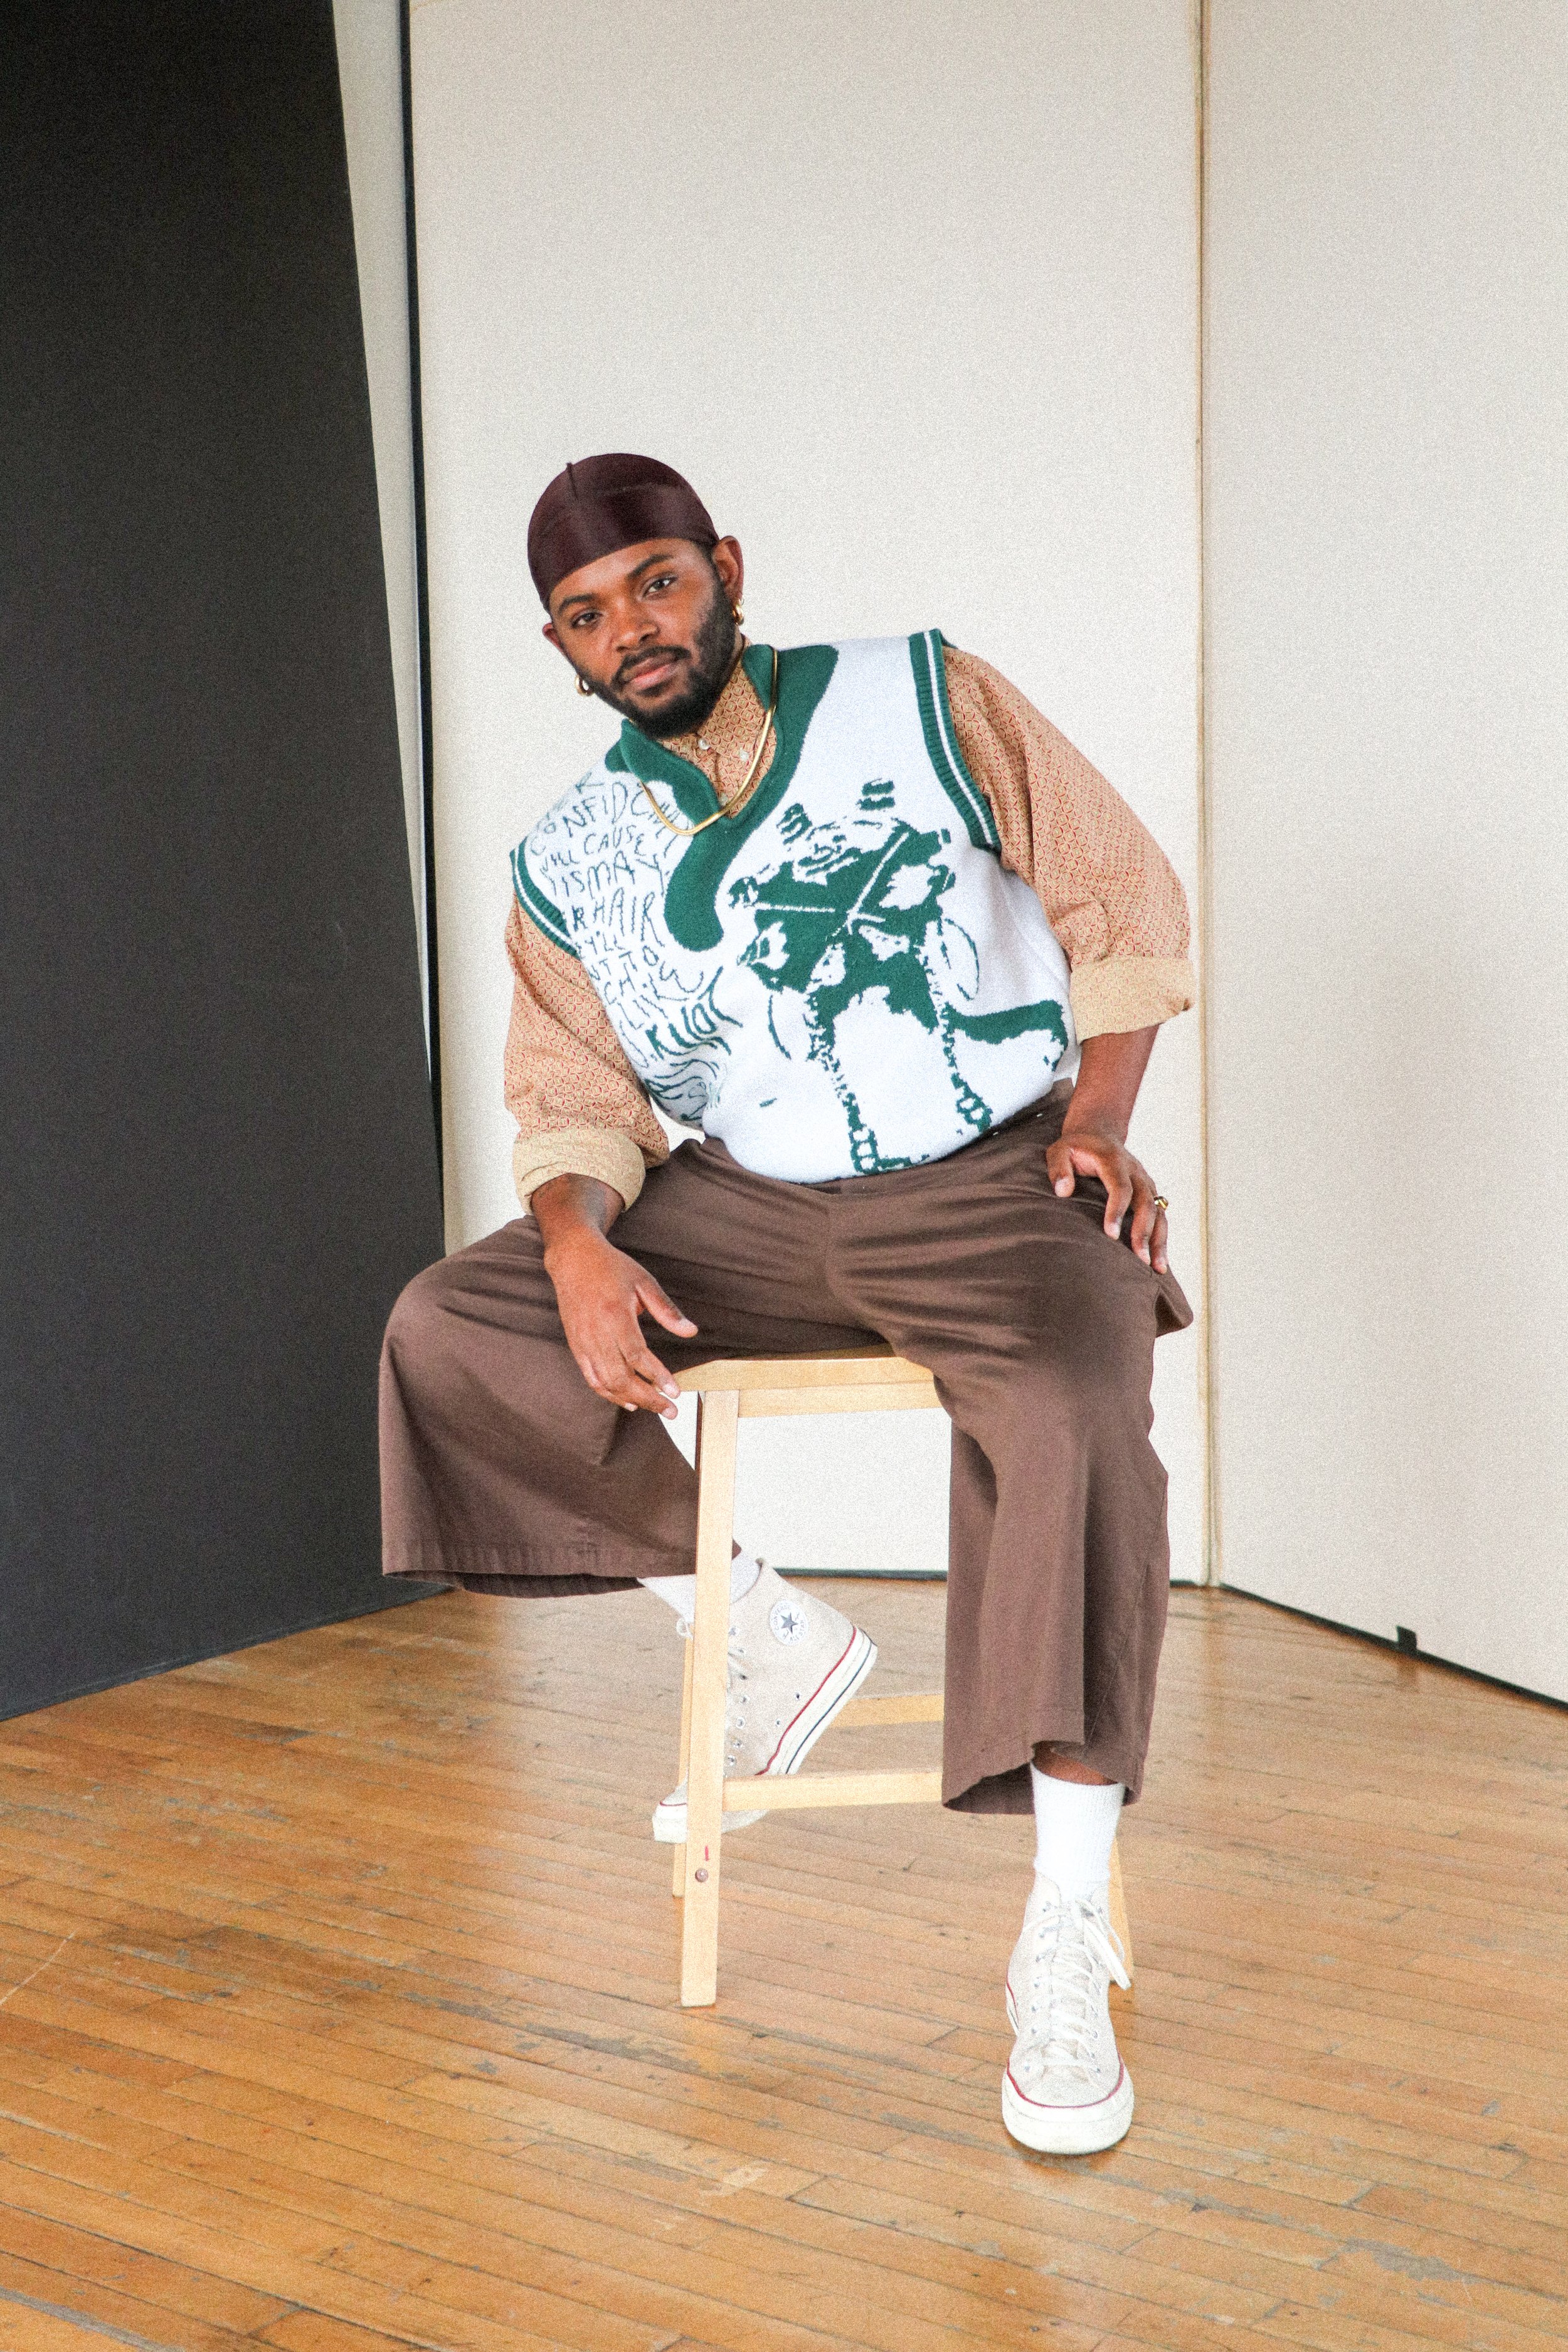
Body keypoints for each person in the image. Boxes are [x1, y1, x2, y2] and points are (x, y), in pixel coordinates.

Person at [380, 452, 1195, 2156]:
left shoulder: (921, 694)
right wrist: (580, 1240)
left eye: (658, 585)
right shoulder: (572, 855)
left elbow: (1119, 904)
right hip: (744, 1208)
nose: (634, 632)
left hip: (983, 1181)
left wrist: (1099, 1129)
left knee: (1068, 1407)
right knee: (454, 1325)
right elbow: (571, 1100)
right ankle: (753, 1633)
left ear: (723, 569)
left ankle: (1057, 1922)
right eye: (589, 618)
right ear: (561, 648)